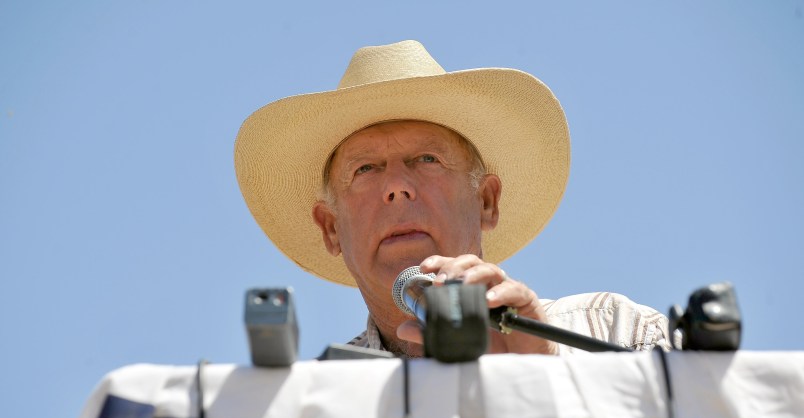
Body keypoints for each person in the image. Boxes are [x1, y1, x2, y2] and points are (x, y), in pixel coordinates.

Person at [234, 40, 671, 357]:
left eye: (427, 159)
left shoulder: (618, 331)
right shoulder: (314, 405)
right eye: (365, 169)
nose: (396, 186)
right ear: (331, 228)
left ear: (486, 201)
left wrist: (542, 368)